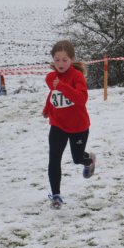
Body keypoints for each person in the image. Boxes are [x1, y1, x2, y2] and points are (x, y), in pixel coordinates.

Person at [42, 40, 96, 209]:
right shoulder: (51, 78)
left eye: (64, 60)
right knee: (54, 158)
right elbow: (53, 93)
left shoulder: (77, 76)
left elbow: (81, 98)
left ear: (72, 59)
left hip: (78, 126)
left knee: (77, 158)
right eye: (57, 60)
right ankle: (56, 196)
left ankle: (89, 161)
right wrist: (47, 108)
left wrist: (63, 86)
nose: (60, 63)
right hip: (58, 124)